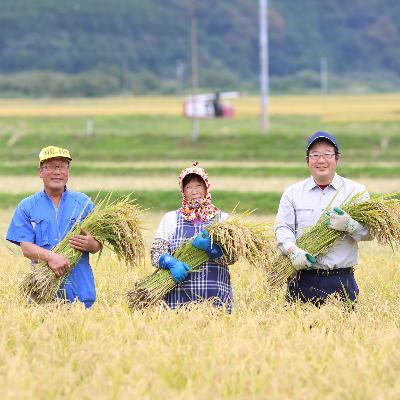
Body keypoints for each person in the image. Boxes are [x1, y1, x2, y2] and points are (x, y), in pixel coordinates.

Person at [275, 131, 372, 306]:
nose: (321, 160)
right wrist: (292, 250)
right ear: (307, 161)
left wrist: (351, 225)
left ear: (337, 159)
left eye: (327, 154)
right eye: (315, 155)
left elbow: (370, 233)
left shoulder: (356, 192)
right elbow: (283, 228)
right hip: (302, 279)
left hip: (342, 280)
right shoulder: (292, 193)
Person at [7, 146, 102, 308]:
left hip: (80, 293)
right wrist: (51, 257)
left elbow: (98, 244)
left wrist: (92, 244)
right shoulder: (27, 206)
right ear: (40, 172)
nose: (57, 172)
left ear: (68, 171)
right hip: (43, 293)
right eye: (51, 167)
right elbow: (26, 248)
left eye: (62, 166)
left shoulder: (84, 203)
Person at [150, 161, 234, 312]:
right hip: (178, 302)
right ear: (182, 191)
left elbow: (234, 256)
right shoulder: (171, 219)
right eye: (188, 187)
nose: (194, 191)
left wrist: (211, 249)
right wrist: (170, 262)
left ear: (207, 187)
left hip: (216, 300)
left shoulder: (223, 220)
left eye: (198, 185)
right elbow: (155, 254)